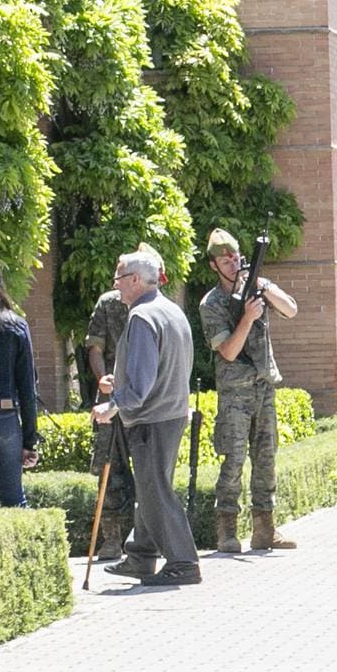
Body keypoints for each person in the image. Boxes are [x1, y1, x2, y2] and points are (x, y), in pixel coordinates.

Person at [93, 250, 200, 586]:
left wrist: (111, 406)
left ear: (135, 280)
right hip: (170, 413)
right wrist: (121, 380)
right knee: (151, 487)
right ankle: (141, 556)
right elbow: (164, 367)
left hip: (151, 418)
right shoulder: (171, 311)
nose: (116, 285)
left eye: (119, 278)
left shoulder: (141, 317)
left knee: (155, 491)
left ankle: (183, 562)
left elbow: (140, 386)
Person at [199, 227, 300, 554]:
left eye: (235, 257)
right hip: (235, 393)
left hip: (263, 386)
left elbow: (291, 309)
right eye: (224, 261)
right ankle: (227, 530)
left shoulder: (257, 289)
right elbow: (227, 351)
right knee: (234, 460)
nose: (232, 264)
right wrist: (246, 318)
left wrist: (263, 285)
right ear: (213, 265)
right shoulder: (211, 303)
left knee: (266, 459)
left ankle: (264, 530)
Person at [0, 257, 38, 508]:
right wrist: (30, 441)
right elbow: (27, 388)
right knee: (14, 499)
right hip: (4, 417)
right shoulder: (15, 325)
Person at [84, 264, 134, 555]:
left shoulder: (154, 305)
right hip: (111, 397)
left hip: (142, 400)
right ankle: (111, 539)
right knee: (107, 468)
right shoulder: (108, 303)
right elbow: (95, 347)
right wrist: (102, 378)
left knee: (147, 469)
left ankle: (146, 537)